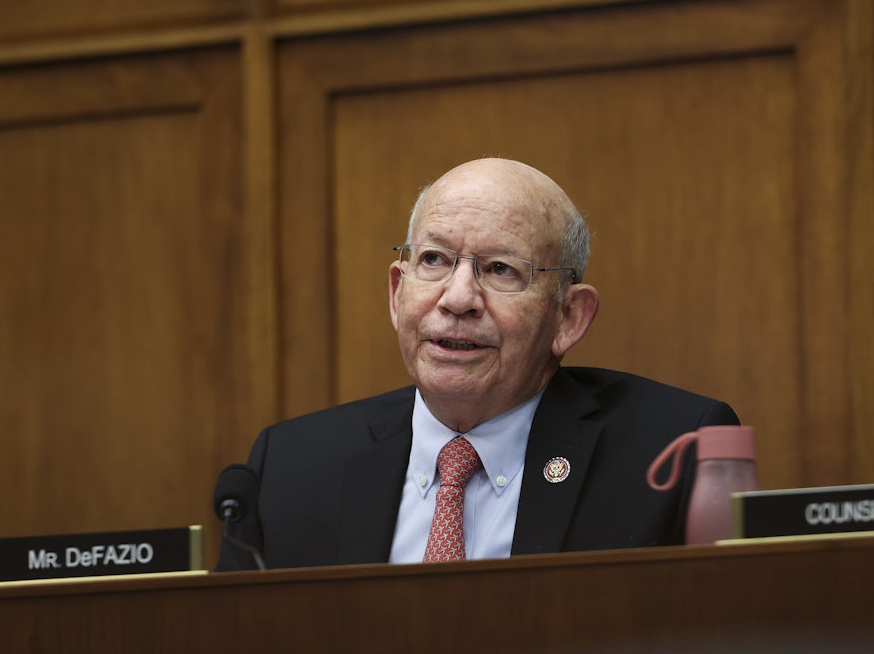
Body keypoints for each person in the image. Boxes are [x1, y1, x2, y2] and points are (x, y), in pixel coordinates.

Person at [215, 157, 739, 571]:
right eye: (435, 261)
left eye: (501, 269)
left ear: (569, 318)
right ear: (398, 294)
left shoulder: (670, 451)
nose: (457, 297)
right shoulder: (289, 468)